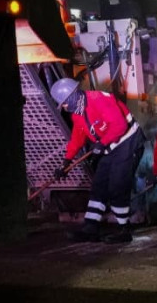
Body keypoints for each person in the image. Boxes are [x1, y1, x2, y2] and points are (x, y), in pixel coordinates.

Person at [50, 77, 144, 243]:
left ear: (71, 97)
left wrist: (101, 144)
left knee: (117, 185)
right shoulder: (77, 114)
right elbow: (77, 138)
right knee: (99, 185)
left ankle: (124, 230)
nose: (64, 107)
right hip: (110, 146)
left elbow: (120, 126)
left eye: (64, 103)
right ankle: (90, 228)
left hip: (128, 142)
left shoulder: (99, 100)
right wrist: (67, 161)